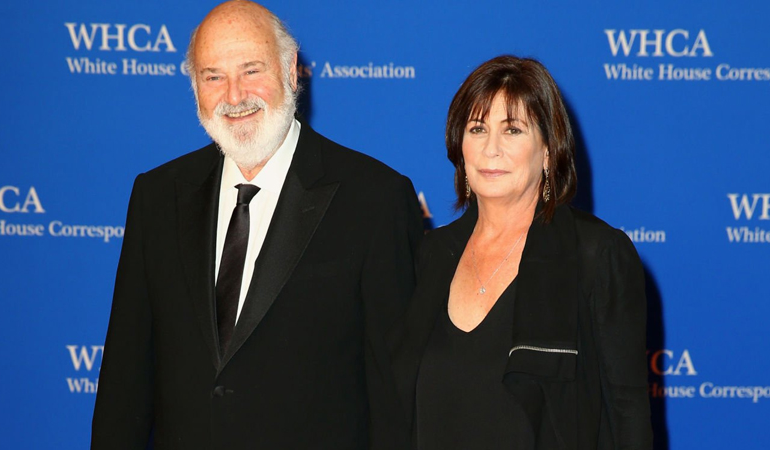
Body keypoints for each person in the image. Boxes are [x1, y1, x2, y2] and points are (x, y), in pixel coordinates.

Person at [90, 1, 422, 449]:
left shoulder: (374, 199)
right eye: (213, 76)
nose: (234, 96)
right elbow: (123, 385)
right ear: (194, 87)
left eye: (251, 70)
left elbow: (396, 394)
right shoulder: (157, 196)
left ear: (290, 72)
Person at [387, 55, 652, 449]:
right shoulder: (430, 255)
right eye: (477, 129)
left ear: (547, 150)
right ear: (460, 147)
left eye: (512, 130)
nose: (491, 149)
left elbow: (627, 414)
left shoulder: (596, 255)